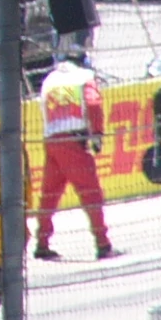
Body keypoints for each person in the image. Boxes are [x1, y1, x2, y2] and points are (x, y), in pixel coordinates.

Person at [36, 45, 115, 260]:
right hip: (74, 140)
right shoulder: (84, 77)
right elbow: (93, 103)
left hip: (51, 139)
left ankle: (41, 242)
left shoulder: (49, 79)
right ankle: (103, 243)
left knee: (49, 195)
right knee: (91, 193)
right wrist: (96, 134)